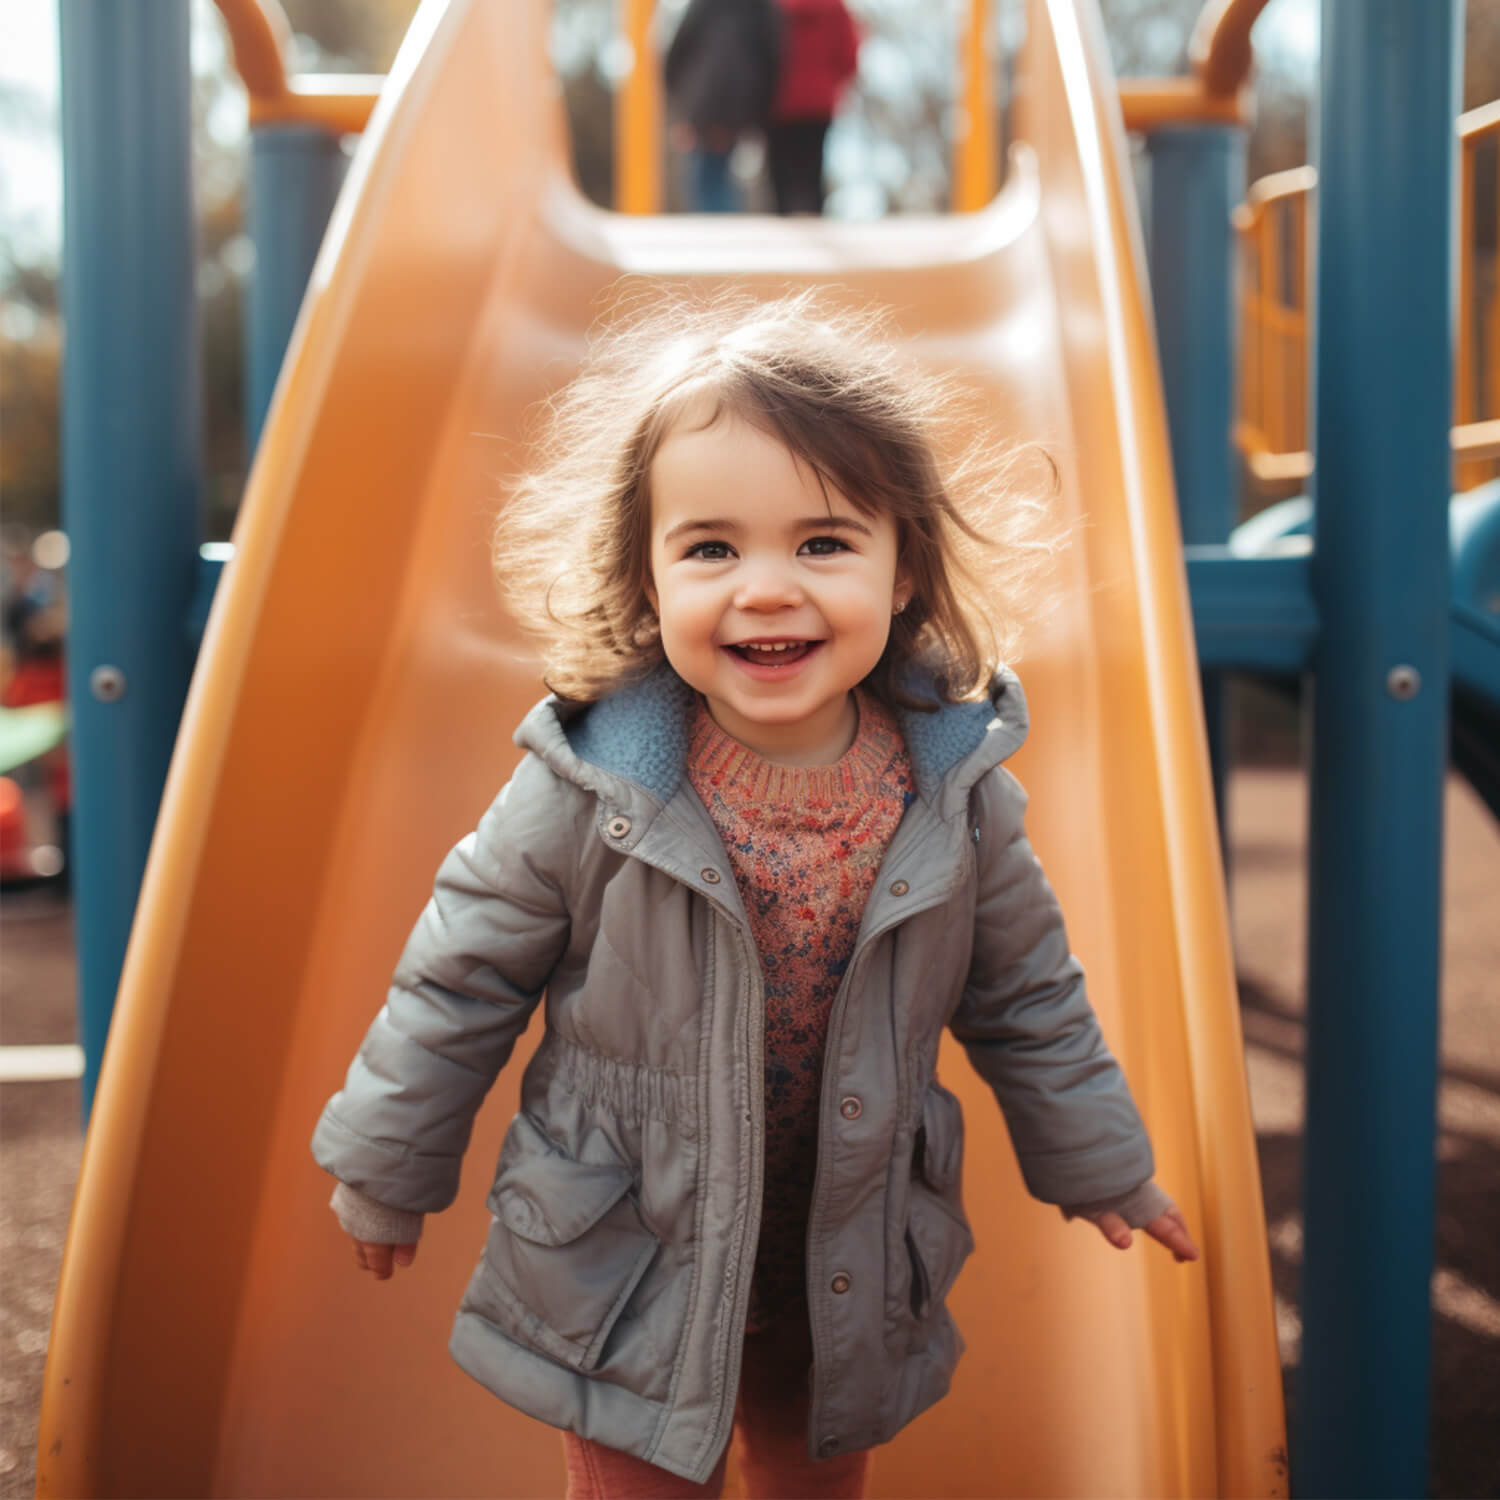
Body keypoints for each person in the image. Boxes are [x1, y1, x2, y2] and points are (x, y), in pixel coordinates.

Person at [312, 292, 1200, 1500]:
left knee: (810, 1476)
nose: (767, 588)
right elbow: (457, 973)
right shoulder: (594, 789)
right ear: (647, 577)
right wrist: (390, 1161)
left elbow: (1028, 995)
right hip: (631, 1254)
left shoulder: (954, 796)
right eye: (712, 548)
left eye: (824, 542)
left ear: (904, 576)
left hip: (843, 1254)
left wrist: (1102, 1163)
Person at [664, 0, 782, 213]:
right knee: (719, 174)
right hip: (740, 100)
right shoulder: (763, 7)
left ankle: (713, 234)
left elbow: (679, 49)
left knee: (704, 177)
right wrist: (759, 111)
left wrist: (680, 101)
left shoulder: (703, 4)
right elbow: (772, 57)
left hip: (702, 99)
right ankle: (725, 230)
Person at [766, 0, 859, 215]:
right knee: (812, 169)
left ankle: (782, 224)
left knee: (780, 172)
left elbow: (759, 49)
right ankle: (812, 218)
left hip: (779, 101)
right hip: (819, 102)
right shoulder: (834, 7)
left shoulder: (773, 6)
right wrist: (835, 82)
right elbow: (849, 53)